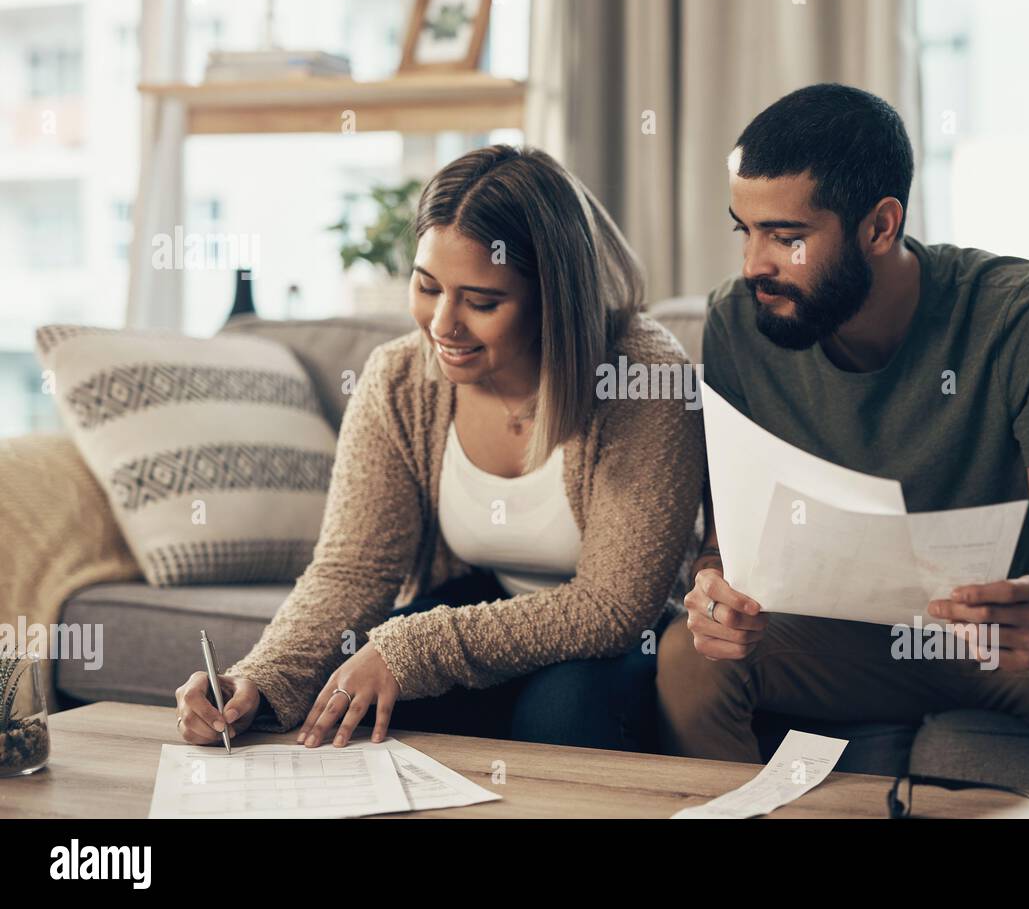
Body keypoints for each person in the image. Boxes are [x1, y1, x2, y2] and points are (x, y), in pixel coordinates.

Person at [656, 83, 1029, 766]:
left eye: (787, 237)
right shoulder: (738, 322)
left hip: (995, 644)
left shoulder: (1026, 315)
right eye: (744, 230)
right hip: (826, 639)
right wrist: (716, 592)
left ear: (879, 226)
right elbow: (729, 542)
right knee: (687, 658)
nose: (753, 265)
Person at [176, 144, 704, 752]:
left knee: (561, 714)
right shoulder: (397, 378)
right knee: (355, 696)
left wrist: (414, 649)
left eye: (481, 301)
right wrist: (256, 680)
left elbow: (613, 607)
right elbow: (352, 569)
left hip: (620, 632)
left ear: (555, 298)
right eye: (428, 287)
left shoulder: (641, 373)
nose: (442, 325)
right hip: (480, 605)